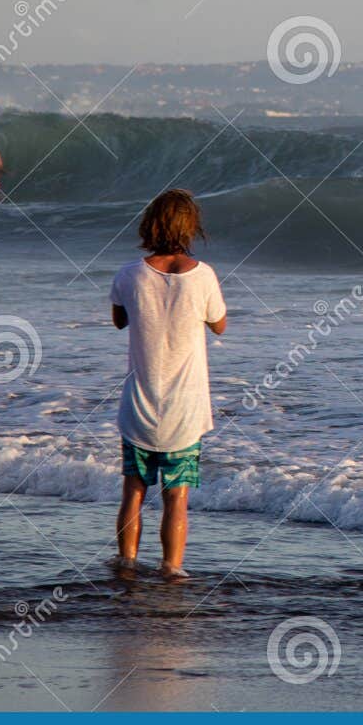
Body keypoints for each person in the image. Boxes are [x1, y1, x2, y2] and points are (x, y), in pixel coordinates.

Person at [110, 189, 227, 581]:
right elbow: (220, 325)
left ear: (150, 224)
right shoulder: (204, 275)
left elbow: (119, 320)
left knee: (134, 491)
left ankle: (126, 564)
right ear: (190, 226)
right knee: (177, 498)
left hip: (139, 405)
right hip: (185, 410)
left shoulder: (129, 274)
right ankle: (172, 570)